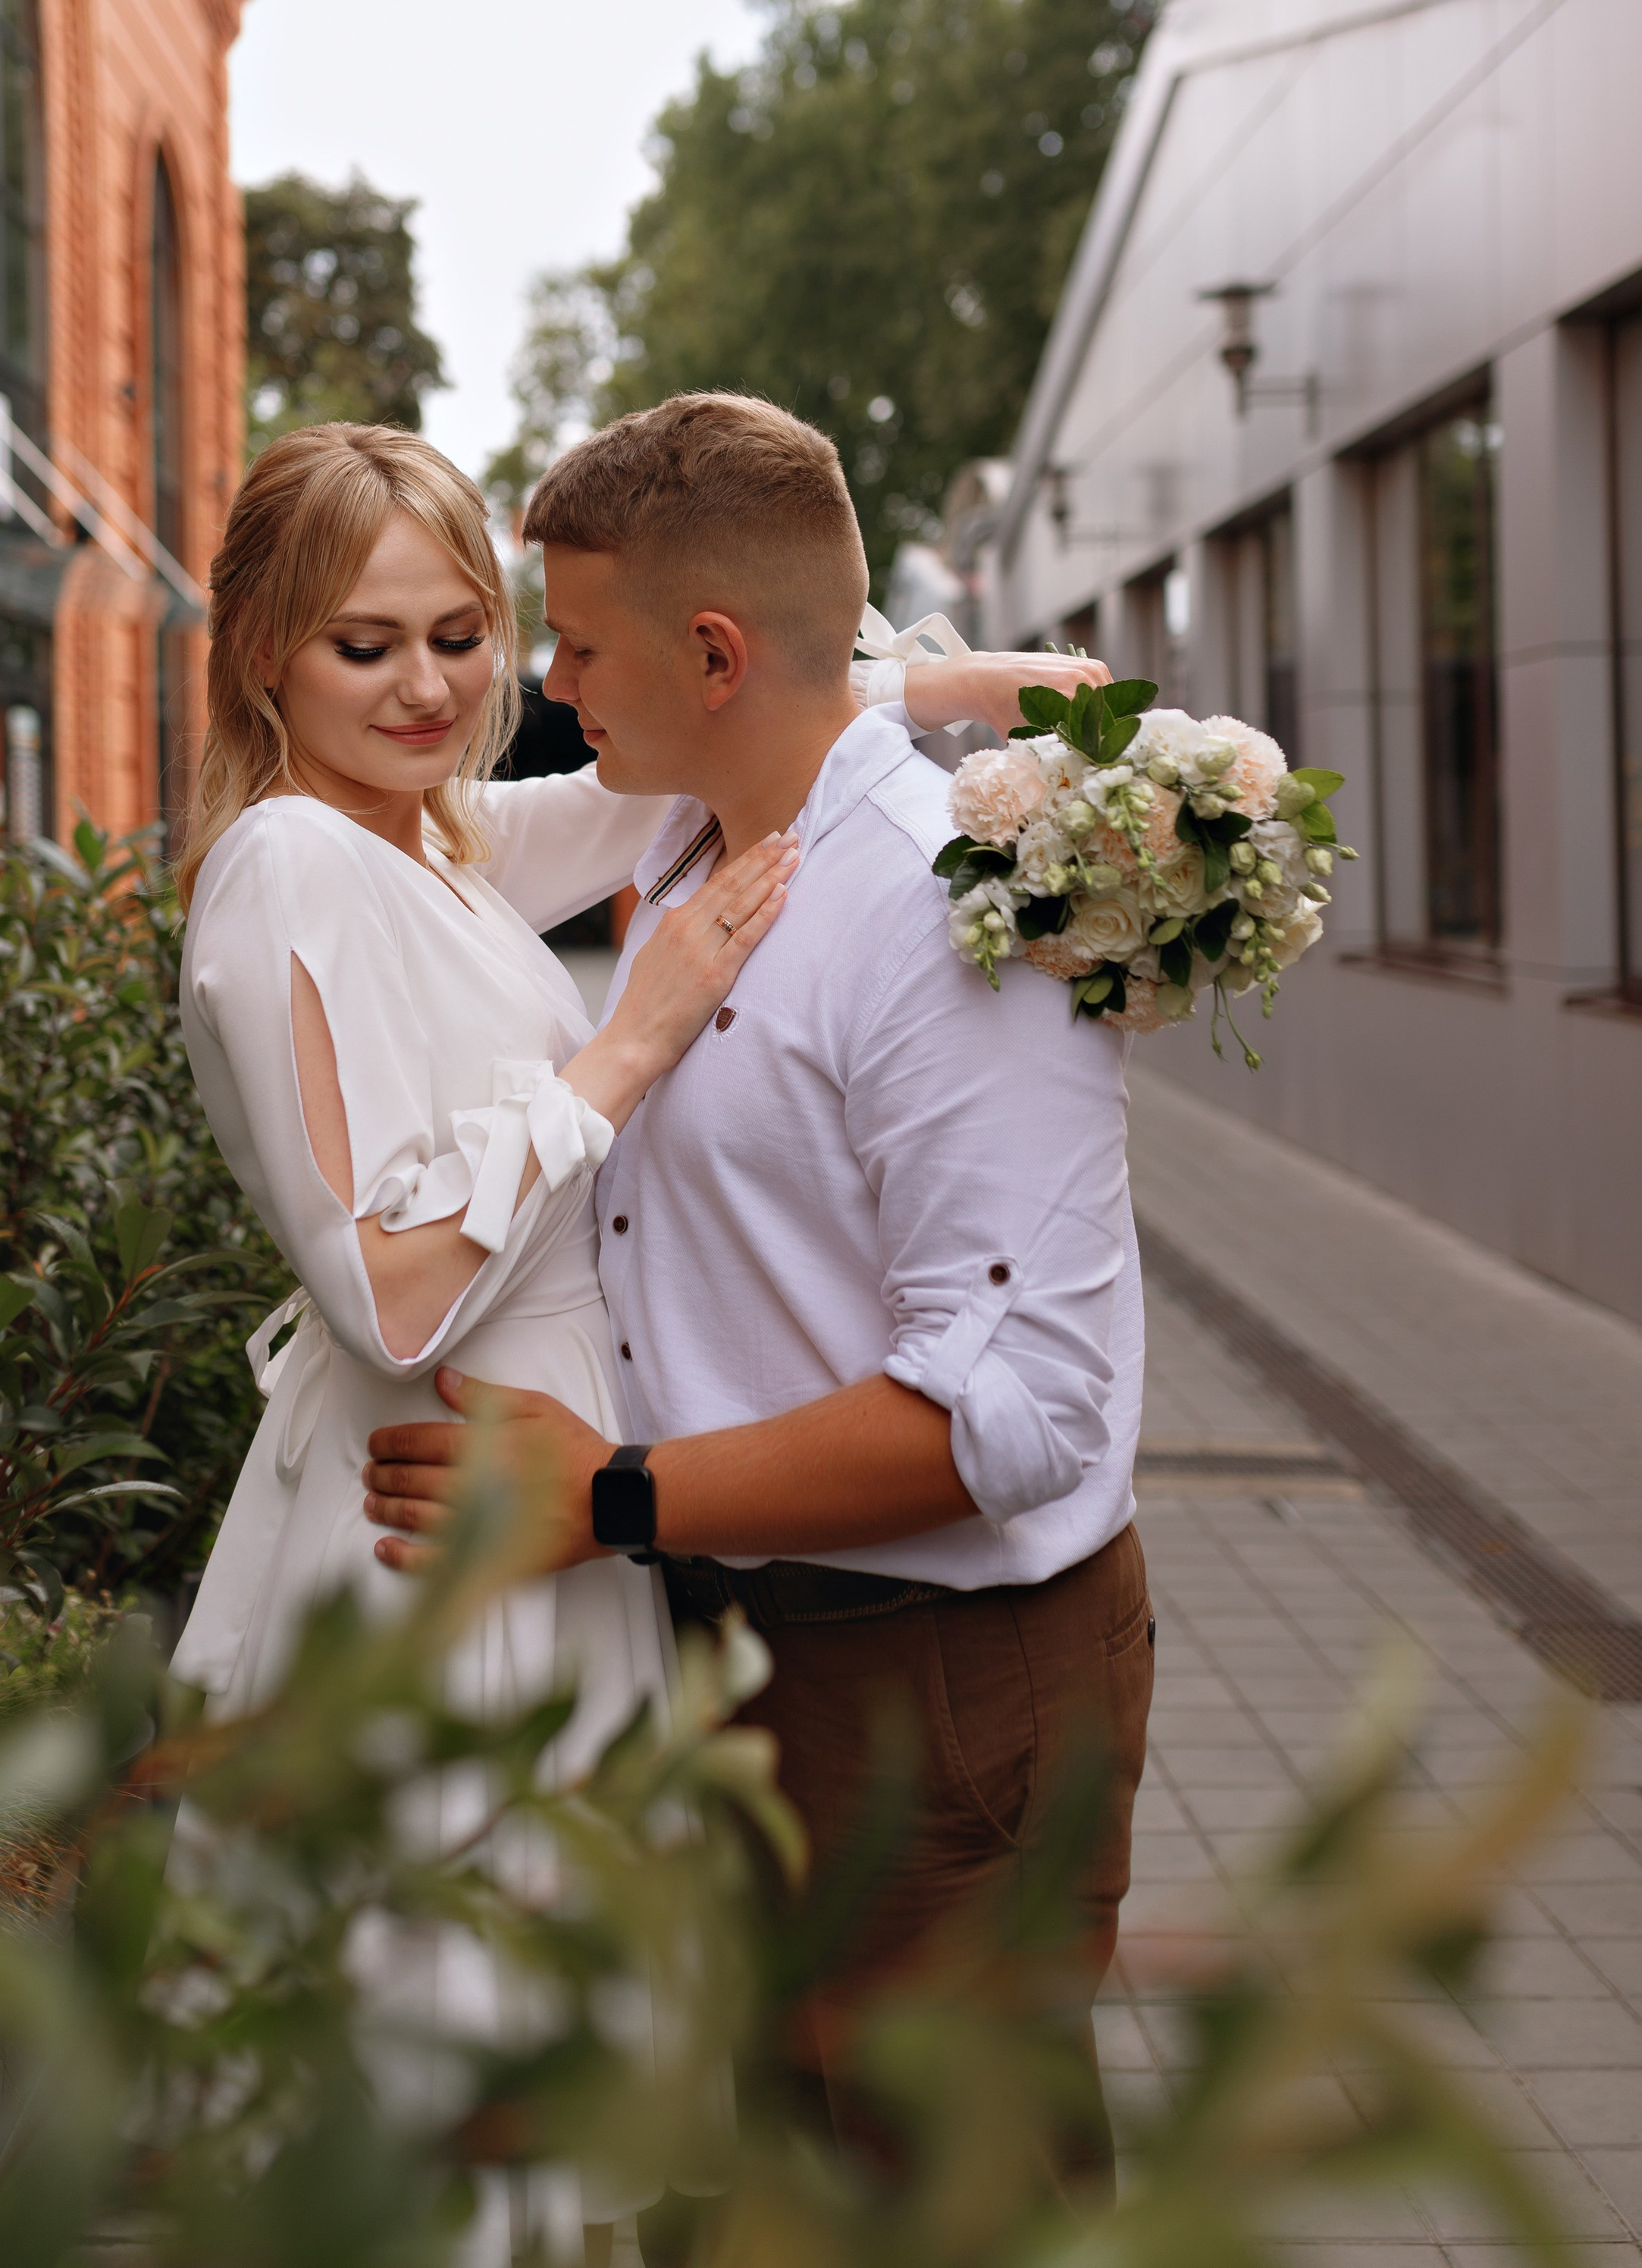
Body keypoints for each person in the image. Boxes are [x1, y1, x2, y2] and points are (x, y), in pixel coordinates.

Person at [166, 419, 1089, 2263]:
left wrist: (964, 683)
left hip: (558, 1514)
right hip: (445, 1518)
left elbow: (704, 736)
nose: (433, 687)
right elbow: (386, 1286)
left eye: (463, 637)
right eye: (367, 645)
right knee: (445, 2053)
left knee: (531, 2053)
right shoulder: (287, 859)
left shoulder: (418, 836)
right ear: (265, 647)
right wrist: (627, 1043)